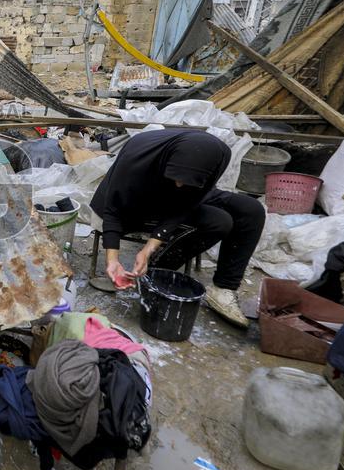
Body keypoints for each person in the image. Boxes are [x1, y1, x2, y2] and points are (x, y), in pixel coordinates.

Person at [90, 129, 265, 327]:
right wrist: (112, 260)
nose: (179, 185)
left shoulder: (219, 156)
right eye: (178, 179)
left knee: (251, 209)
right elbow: (113, 210)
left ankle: (223, 288)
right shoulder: (138, 156)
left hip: (186, 189)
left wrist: (148, 249)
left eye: (184, 181)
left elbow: (186, 203)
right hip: (137, 201)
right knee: (220, 222)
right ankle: (158, 270)